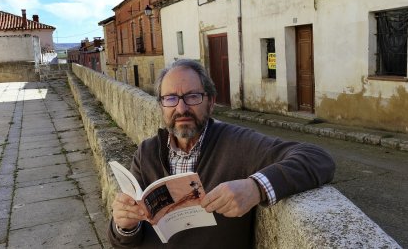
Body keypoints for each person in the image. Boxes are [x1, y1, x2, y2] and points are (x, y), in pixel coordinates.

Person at [108, 59, 335, 248]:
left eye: (193, 96)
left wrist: (256, 188)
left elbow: (318, 159)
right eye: (170, 99)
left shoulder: (239, 144)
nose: (181, 108)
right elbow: (121, 242)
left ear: (211, 102)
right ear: (161, 105)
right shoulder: (146, 152)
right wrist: (125, 226)